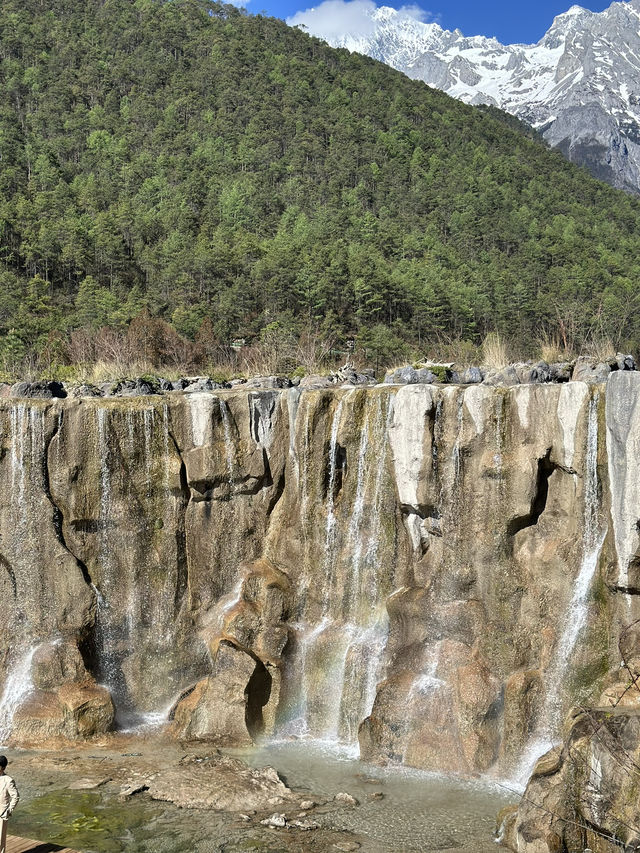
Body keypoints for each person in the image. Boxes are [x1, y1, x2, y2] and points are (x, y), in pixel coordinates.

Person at [0, 755, 19, 853]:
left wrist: (8, 810)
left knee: (0, 842)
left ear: (1, 767)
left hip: (1, 814)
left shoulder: (8, 780)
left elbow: (15, 796)